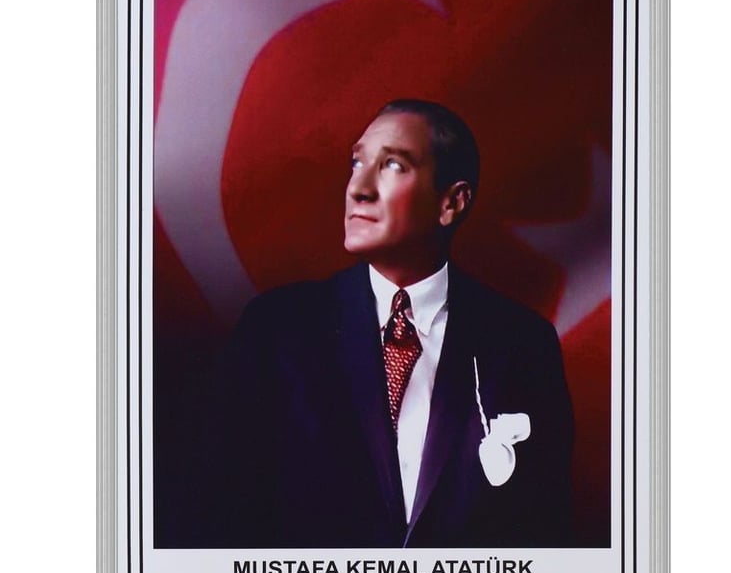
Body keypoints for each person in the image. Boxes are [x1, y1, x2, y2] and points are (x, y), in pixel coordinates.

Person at [198, 99, 574, 548]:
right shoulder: (275, 331)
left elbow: (544, 535)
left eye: (393, 165)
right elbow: (216, 520)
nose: (358, 188)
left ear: (452, 202)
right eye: (357, 163)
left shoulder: (522, 343)